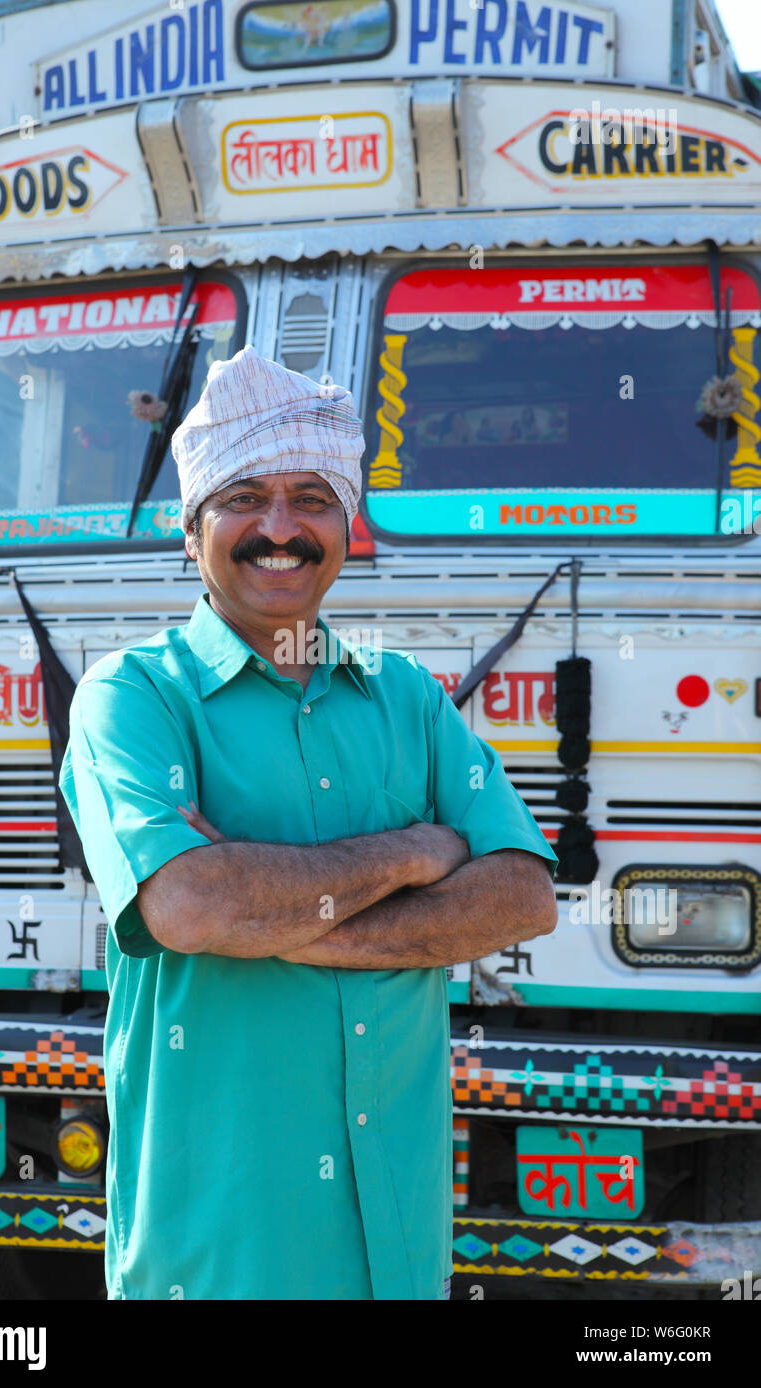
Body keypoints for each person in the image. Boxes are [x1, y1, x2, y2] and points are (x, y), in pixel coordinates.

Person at [59, 345, 559, 1301]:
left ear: (345, 525)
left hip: (397, 1249)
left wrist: (283, 915)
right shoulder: (135, 697)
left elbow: (524, 895)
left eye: (311, 499)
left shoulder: (404, 694)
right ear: (193, 525)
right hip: (217, 1254)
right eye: (244, 497)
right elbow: (193, 906)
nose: (278, 528)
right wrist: (420, 851)